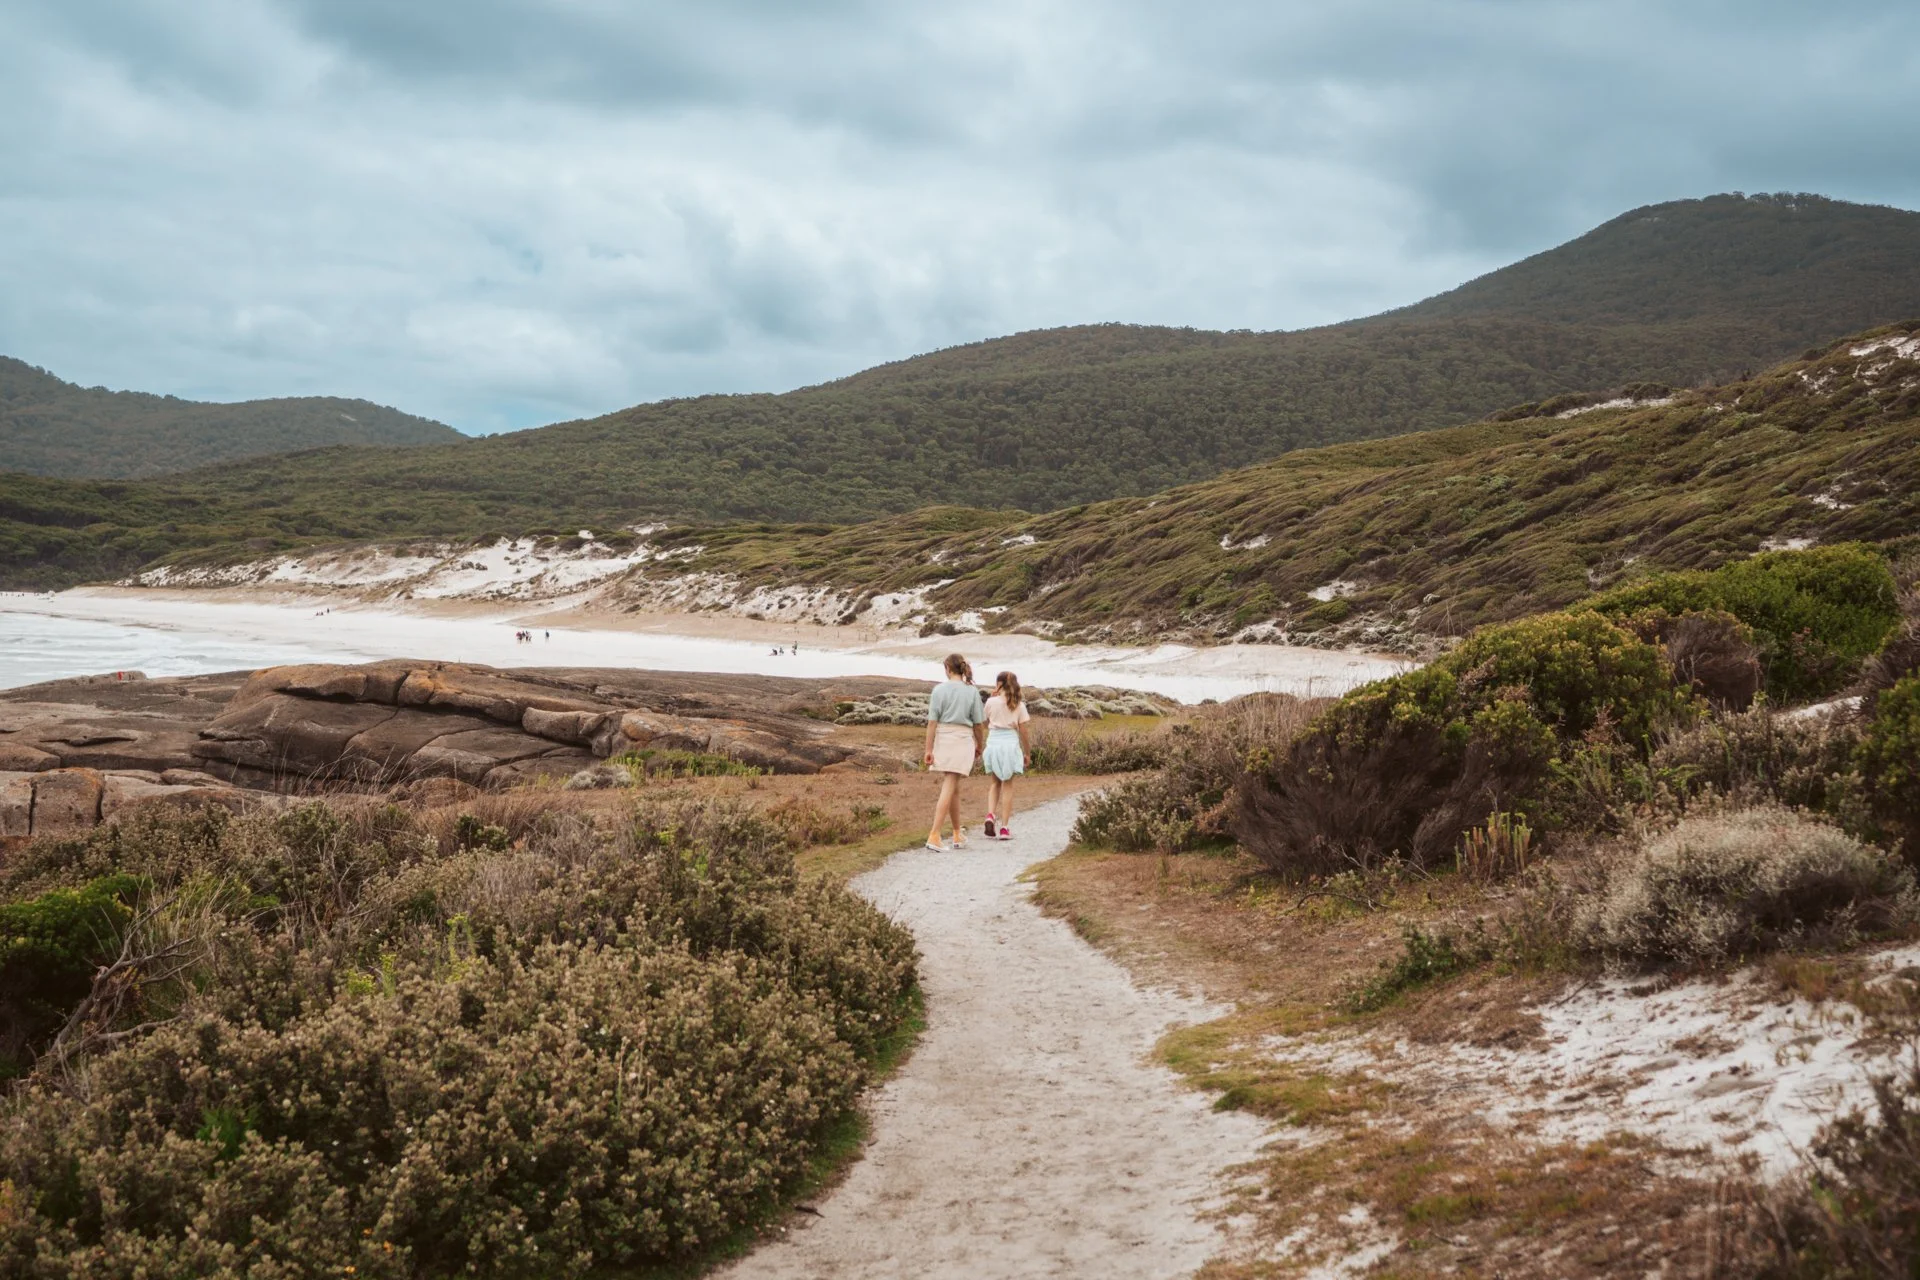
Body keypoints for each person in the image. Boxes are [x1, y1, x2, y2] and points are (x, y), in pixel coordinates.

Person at [922, 653, 984, 850]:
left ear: (948, 669)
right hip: (962, 739)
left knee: (953, 787)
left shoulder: (938, 690)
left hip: (943, 738)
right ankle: (934, 834)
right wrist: (979, 745)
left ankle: (957, 834)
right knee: (950, 785)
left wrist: (929, 749)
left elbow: (932, 722)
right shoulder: (971, 691)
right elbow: (978, 724)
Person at [980, 671, 1032, 839]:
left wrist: (993, 697)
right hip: (1010, 743)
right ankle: (1004, 827)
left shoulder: (990, 702)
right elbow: (1023, 731)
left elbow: (984, 722)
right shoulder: (1019, 705)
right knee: (1007, 784)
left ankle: (990, 815)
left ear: (999, 684)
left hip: (994, 742)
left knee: (995, 783)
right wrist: (1027, 752)